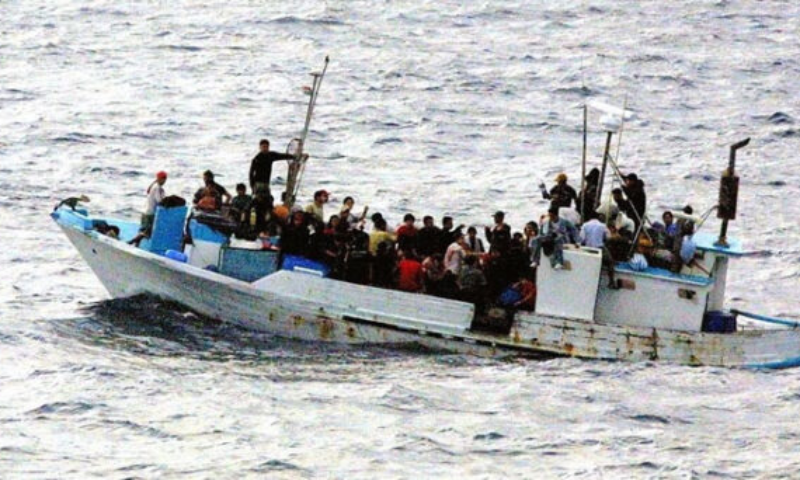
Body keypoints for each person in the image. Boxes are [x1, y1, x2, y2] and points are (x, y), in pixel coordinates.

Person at [129, 171, 168, 245]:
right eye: (164, 179)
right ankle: (131, 242)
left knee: (142, 231)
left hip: (145, 211)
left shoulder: (153, 186)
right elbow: (159, 200)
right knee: (146, 233)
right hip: (150, 213)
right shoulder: (157, 188)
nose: (164, 181)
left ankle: (136, 245)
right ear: (160, 179)